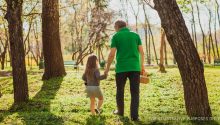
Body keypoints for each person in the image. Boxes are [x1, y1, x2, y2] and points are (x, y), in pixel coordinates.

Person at [104, 20, 145, 121]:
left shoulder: (116, 36)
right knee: (135, 92)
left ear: (117, 27)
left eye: (114, 27)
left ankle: (120, 111)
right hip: (135, 68)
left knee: (120, 90)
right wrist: (142, 67)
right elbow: (142, 52)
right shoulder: (135, 35)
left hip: (121, 68)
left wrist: (107, 69)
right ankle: (135, 116)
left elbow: (112, 54)